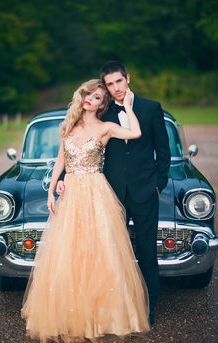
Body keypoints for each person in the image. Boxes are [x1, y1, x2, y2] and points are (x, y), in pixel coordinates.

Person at [21, 79, 150, 343]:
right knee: (70, 252)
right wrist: (51, 189)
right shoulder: (67, 125)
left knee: (101, 251)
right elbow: (61, 159)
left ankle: (104, 316)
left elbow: (135, 133)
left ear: (103, 105)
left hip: (96, 191)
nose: (93, 98)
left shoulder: (106, 128)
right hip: (71, 192)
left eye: (100, 97)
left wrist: (127, 105)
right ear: (83, 96)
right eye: (90, 94)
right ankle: (70, 316)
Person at [57, 62, 171, 327]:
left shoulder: (151, 108)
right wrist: (63, 178)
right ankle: (111, 310)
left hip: (145, 191)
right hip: (110, 193)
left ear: (127, 79)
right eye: (110, 84)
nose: (116, 88)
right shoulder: (102, 110)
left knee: (146, 251)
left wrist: (159, 184)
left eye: (119, 81)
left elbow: (163, 151)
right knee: (108, 253)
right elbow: (77, 145)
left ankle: (149, 308)